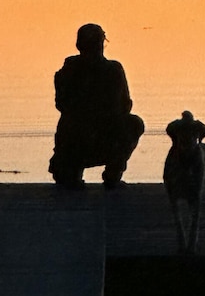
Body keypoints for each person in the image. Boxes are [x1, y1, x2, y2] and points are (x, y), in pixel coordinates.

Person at [48, 24, 144, 188]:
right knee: (134, 123)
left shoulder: (68, 70)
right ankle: (112, 173)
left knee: (131, 123)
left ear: (78, 45)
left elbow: (61, 104)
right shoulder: (112, 70)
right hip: (88, 141)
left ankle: (105, 173)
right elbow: (125, 105)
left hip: (82, 141)